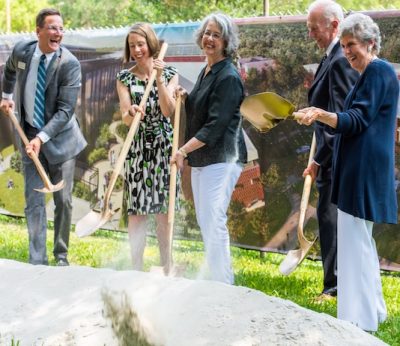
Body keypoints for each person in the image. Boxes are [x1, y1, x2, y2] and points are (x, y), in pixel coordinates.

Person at [297, 13, 398, 332]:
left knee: (355, 245)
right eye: (343, 46)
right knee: (361, 243)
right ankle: (373, 312)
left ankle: (357, 320)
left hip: (363, 172)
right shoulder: (372, 73)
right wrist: (321, 158)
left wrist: (320, 114)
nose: (347, 52)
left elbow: (356, 119)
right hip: (358, 170)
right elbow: (353, 121)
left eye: (351, 45)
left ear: (370, 43)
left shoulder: (379, 71)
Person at [0, 8, 87, 266]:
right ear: (38, 30)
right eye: (52, 27)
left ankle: (61, 256)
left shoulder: (69, 64)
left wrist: (42, 138)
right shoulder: (23, 51)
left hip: (60, 141)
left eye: (61, 28)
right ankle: (37, 260)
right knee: (33, 201)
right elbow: (9, 70)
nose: (58, 32)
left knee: (63, 201)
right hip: (29, 137)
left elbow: (65, 111)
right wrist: (7, 97)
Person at [171, 13, 247, 284]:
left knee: (214, 219)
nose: (210, 39)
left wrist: (182, 151)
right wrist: (184, 97)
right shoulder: (207, 71)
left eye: (216, 35)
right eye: (207, 33)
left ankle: (223, 284)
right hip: (204, 158)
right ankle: (216, 279)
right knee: (206, 221)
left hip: (223, 158)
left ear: (226, 41)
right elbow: (198, 112)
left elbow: (215, 126)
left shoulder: (228, 76)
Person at [305, 0, 358, 298]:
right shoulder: (329, 57)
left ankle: (334, 287)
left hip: (338, 159)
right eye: (309, 27)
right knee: (328, 219)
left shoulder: (339, 61)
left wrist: (321, 159)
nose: (311, 33)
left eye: (315, 28)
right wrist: (316, 159)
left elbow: (339, 118)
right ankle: (333, 284)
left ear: (335, 25)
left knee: (331, 219)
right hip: (327, 156)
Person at [116, 23, 178, 272]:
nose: (137, 50)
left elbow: (168, 110)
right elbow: (125, 116)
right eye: (132, 46)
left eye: (140, 44)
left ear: (151, 44)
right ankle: (136, 268)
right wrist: (132, 112)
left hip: (163, 148)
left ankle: (166, 265)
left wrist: (160, 80)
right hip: (138, 148)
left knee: (164, 212)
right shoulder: (124, 78)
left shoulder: (170, 72)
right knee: (138, 211)